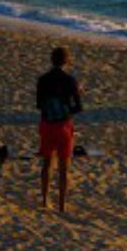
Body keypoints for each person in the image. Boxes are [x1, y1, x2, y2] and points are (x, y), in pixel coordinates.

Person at [37, 46, 83, 214]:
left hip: (46, 124)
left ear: (52, 60)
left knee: (47, 163)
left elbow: (39, 105)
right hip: (63, 126)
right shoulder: (70, 80)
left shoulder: (42, 79)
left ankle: (45, 200)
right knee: (64, 166)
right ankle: (62, 205)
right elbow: (78, 107)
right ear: (66, 61)